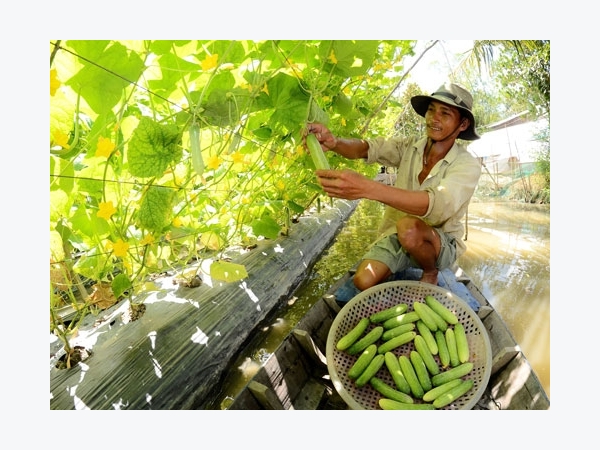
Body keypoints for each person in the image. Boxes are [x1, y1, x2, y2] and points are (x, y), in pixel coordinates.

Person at [306, 82, 482, 293]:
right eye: (431, 110)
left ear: (462, 125)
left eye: (445, 113)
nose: (433, 118)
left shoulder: (467, 164)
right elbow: (368, 149)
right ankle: (401, 259)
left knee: (409, 227)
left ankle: (430, 271)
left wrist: (367, 188)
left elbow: (437, 204)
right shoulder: (410, 146)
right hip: (398, 235)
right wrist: (334, 142)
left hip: (439, 242)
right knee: (363, 281)